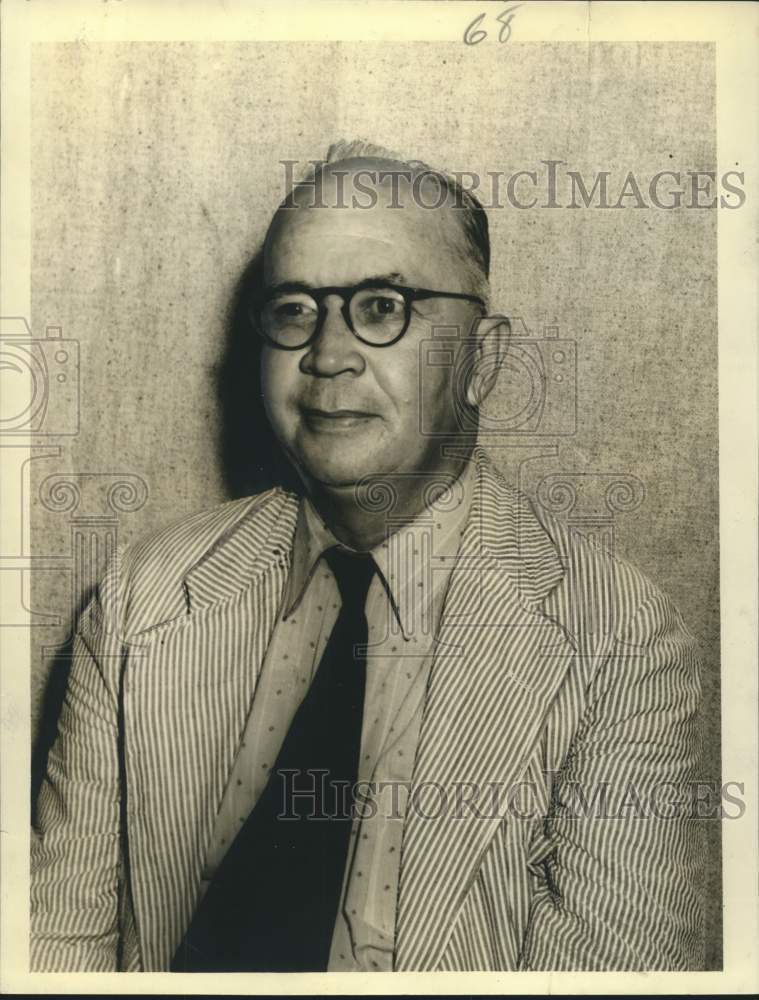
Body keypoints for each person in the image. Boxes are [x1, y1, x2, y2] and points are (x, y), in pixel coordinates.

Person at [30, 141, 705, 972]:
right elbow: (57, 946)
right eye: (293, 310)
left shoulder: (615, 638)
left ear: (483, 361)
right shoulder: (145, 592)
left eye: (382, 307)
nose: (327, 355)